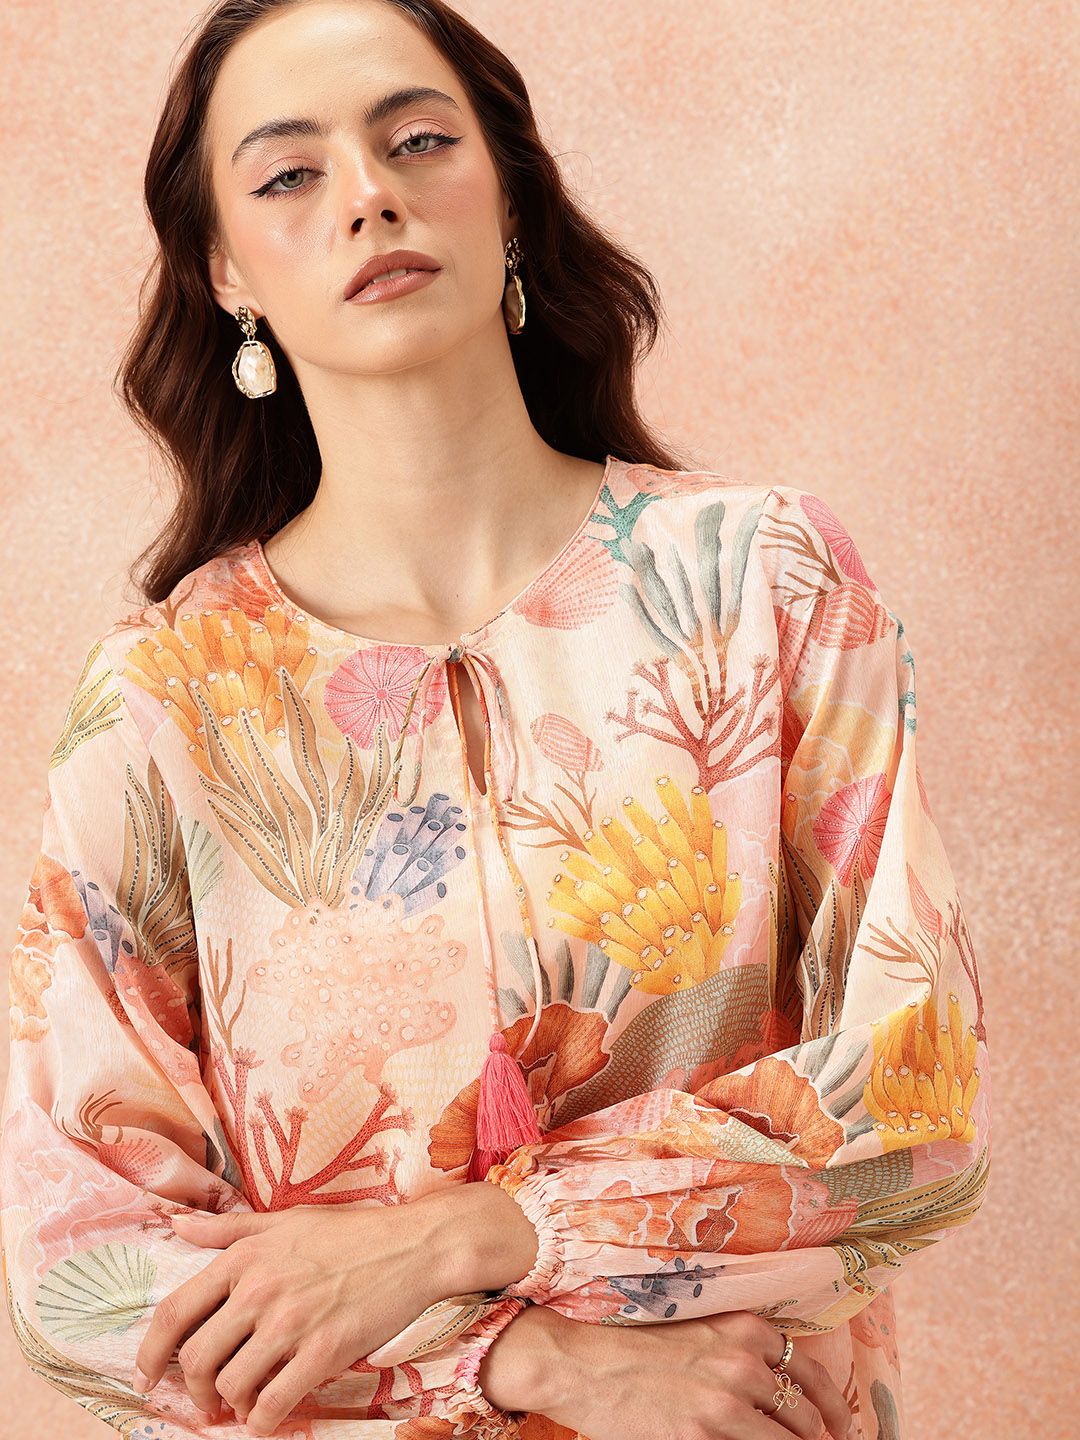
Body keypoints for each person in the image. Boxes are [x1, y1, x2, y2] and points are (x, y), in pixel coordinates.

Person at [0, 3, 991, 1438]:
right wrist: (512, 1359)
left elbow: (917, 1102)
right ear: (225, 271)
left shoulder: (762, 582)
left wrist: (479, 1235)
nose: (369, 195)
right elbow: (78, 1267)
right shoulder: (164, 702)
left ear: (510, 197)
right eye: (290, 174)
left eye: (417, 141)